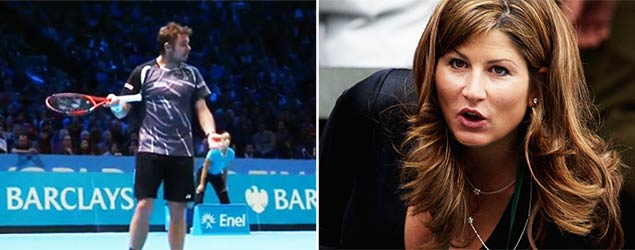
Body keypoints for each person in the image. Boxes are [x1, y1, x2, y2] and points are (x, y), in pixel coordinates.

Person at [320, 0, 629, 249]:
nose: (472, 90)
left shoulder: (573, 200)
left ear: (538, 87)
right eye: (457, 64)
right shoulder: (375, 112)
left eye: (498, 70)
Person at [105, 21, 221, 250]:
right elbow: (122, 112)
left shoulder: (193, 74)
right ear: (168, 47)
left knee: (178, 210)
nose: (188, 49)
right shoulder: (143, 72)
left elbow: (201, 107)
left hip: (182, 152)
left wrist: (211, 134)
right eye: (183, 45)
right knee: (143, 205)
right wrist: (115, 105)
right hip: (150, 149)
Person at [195, 131, 235, 205]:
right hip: (205, 173)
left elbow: (225, 169)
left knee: (225, 199)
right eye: (225, 139)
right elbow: (205, 168)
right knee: (199, 196)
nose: (227, 141)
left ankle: (225, 214)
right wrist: (201, 184)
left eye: (228, 139)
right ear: (221, 141)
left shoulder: (231, 153)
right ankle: (195, 215)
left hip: (217, 174)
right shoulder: (213, 153)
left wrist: (224, 185)